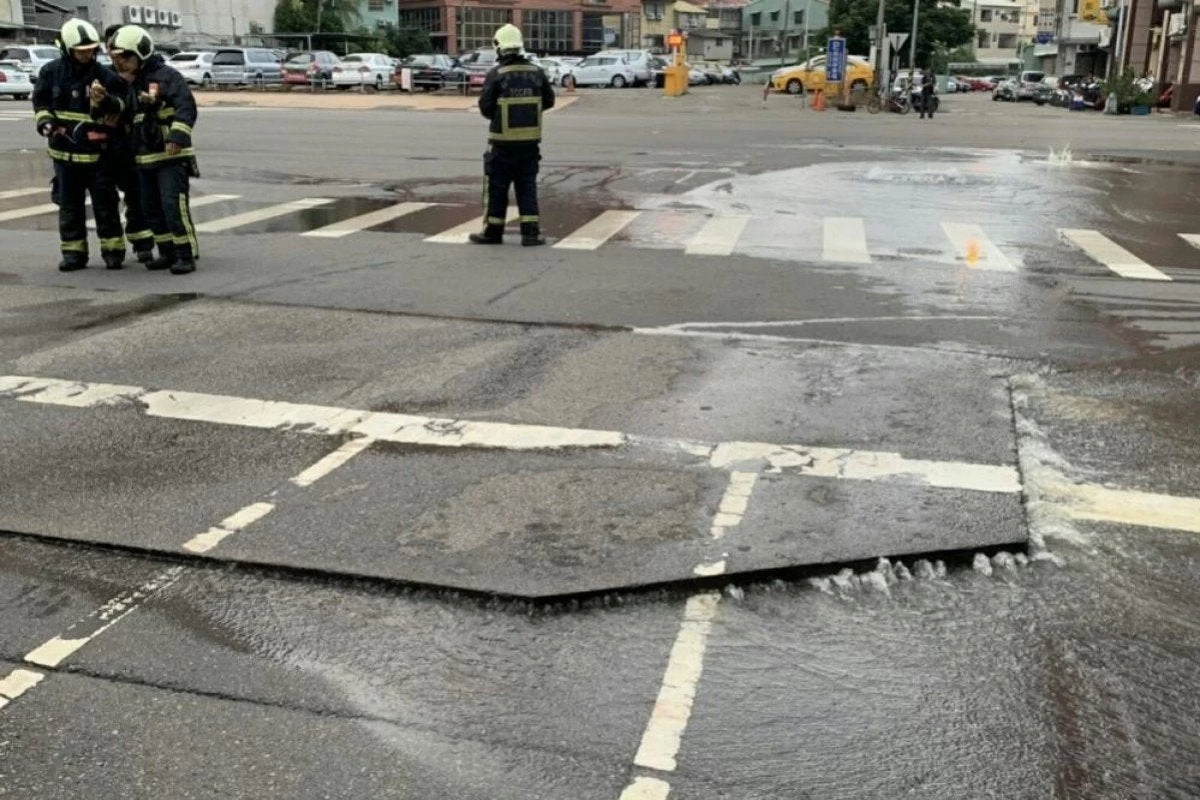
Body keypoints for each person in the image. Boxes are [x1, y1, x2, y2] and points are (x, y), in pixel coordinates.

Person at [32, 18, 129, 271]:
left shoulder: (104, 76)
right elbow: (41, 103)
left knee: (106, 206)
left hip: (98, 156)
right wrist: (45, 123)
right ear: (67, 48)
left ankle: (113, 252)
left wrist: (105, 100)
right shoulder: (50, 73)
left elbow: (122, 105)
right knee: (69, 207)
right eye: (81, 50)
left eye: (90, 49)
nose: (87, 54)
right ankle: (74, 254)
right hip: (64, 156)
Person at [107, 25, 199, 275]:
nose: (120, 63)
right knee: (151, 209)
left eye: (124, 57)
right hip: (144, 159)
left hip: (170, 156)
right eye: (116, 58)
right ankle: (167, 252)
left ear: (142, 52)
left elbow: (185, 108)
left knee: (173, 206)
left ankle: (185, 254)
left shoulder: (168, 76)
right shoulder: (131, 83)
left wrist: (177, 136)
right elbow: (126, 113)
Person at [469, 23, 556, 247]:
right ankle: (530, 234)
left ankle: (493, 232)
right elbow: (549, 101)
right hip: (529, 145)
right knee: (527, 187)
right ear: (520, 46)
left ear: (498, 46)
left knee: (497, 188)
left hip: (501, 145)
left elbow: (486, 108)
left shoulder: (496, 74)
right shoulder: (537, 73)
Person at [102, 24, 154, 265]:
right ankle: (113, 251)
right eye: (111, 47)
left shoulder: (144, 75)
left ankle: (143, 245)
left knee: (136, 196)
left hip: (132, 147)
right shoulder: (103, 76)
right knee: (106, 200)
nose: (115, 54)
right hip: (106, 148)